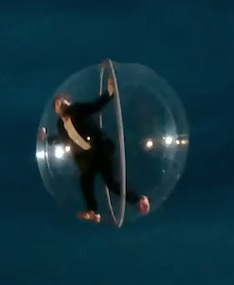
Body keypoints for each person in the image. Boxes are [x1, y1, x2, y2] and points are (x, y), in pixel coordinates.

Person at [38, 63, 153, 223]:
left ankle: (139, 199)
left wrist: (110, 92)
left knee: (111, 183)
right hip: (87, 156)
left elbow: (94, 106)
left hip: (100, 148)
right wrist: (46, 139)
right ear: (56, 110)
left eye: (62, 101)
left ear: (67, 103)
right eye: (57, 104)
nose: (60, 104)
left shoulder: (77, 110)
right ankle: (93, 212)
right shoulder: (60, 125)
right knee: (86, 181)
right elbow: (62, 139)